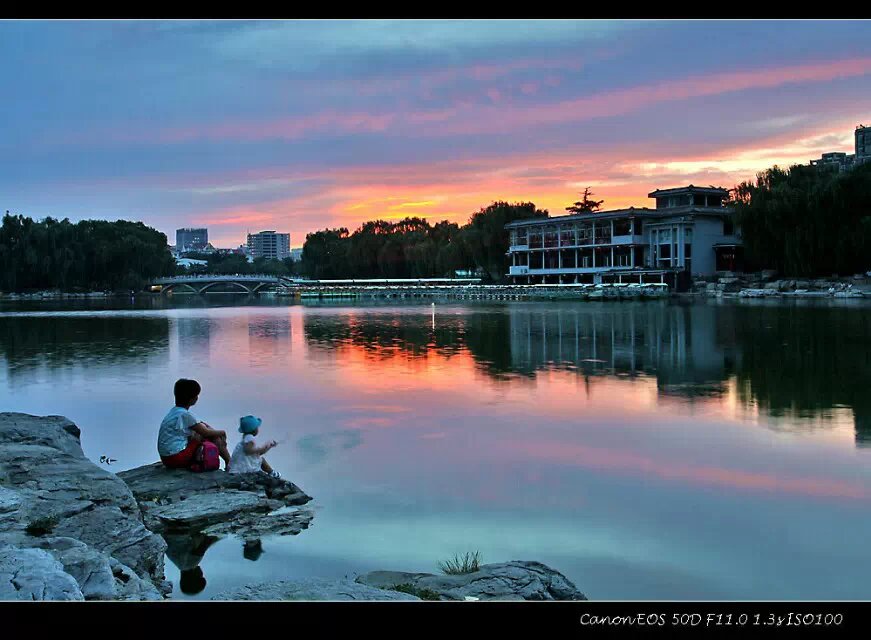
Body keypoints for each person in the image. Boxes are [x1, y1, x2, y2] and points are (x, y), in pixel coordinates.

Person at [158, 378, 231, 470]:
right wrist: (222, 432)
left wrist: (208, 429)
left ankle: (228, 462)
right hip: (176, 459)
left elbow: (200, 425)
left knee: (201, 431)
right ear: (193, 399)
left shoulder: (174, 412)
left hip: (166, 459)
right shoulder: (186, 415)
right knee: (211, 436)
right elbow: (206, 433)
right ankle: (229, 462)